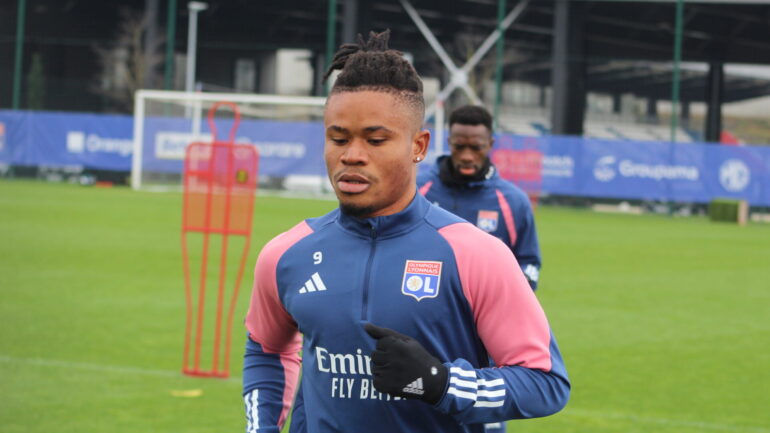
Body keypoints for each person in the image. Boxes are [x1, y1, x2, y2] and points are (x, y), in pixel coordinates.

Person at [242, 30, 569, 433]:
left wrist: (441, 383)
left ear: (419, 146)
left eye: (376, 140)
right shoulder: (286, 254)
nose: (352, 155)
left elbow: (545, 382)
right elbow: (266, 349)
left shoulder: (475, 254)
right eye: (338, 138)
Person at [417, 105, 542, 291]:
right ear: (449, 142)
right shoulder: (417, 191)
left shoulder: (514, 202)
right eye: (459, 146)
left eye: (476, 147)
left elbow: (529, 262)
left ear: (490, 144)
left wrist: (516, 289)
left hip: (487, 304)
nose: (467, 156)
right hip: (426, 301)